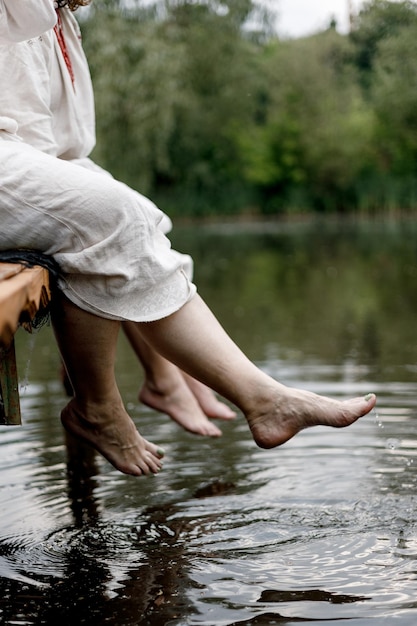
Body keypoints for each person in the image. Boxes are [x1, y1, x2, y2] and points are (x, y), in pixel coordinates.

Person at [0, 0, 377, 477]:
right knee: (110, 216)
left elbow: (57, 148)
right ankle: (123, 403)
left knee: (137, 213)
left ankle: (178, 379)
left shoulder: (52, 17)